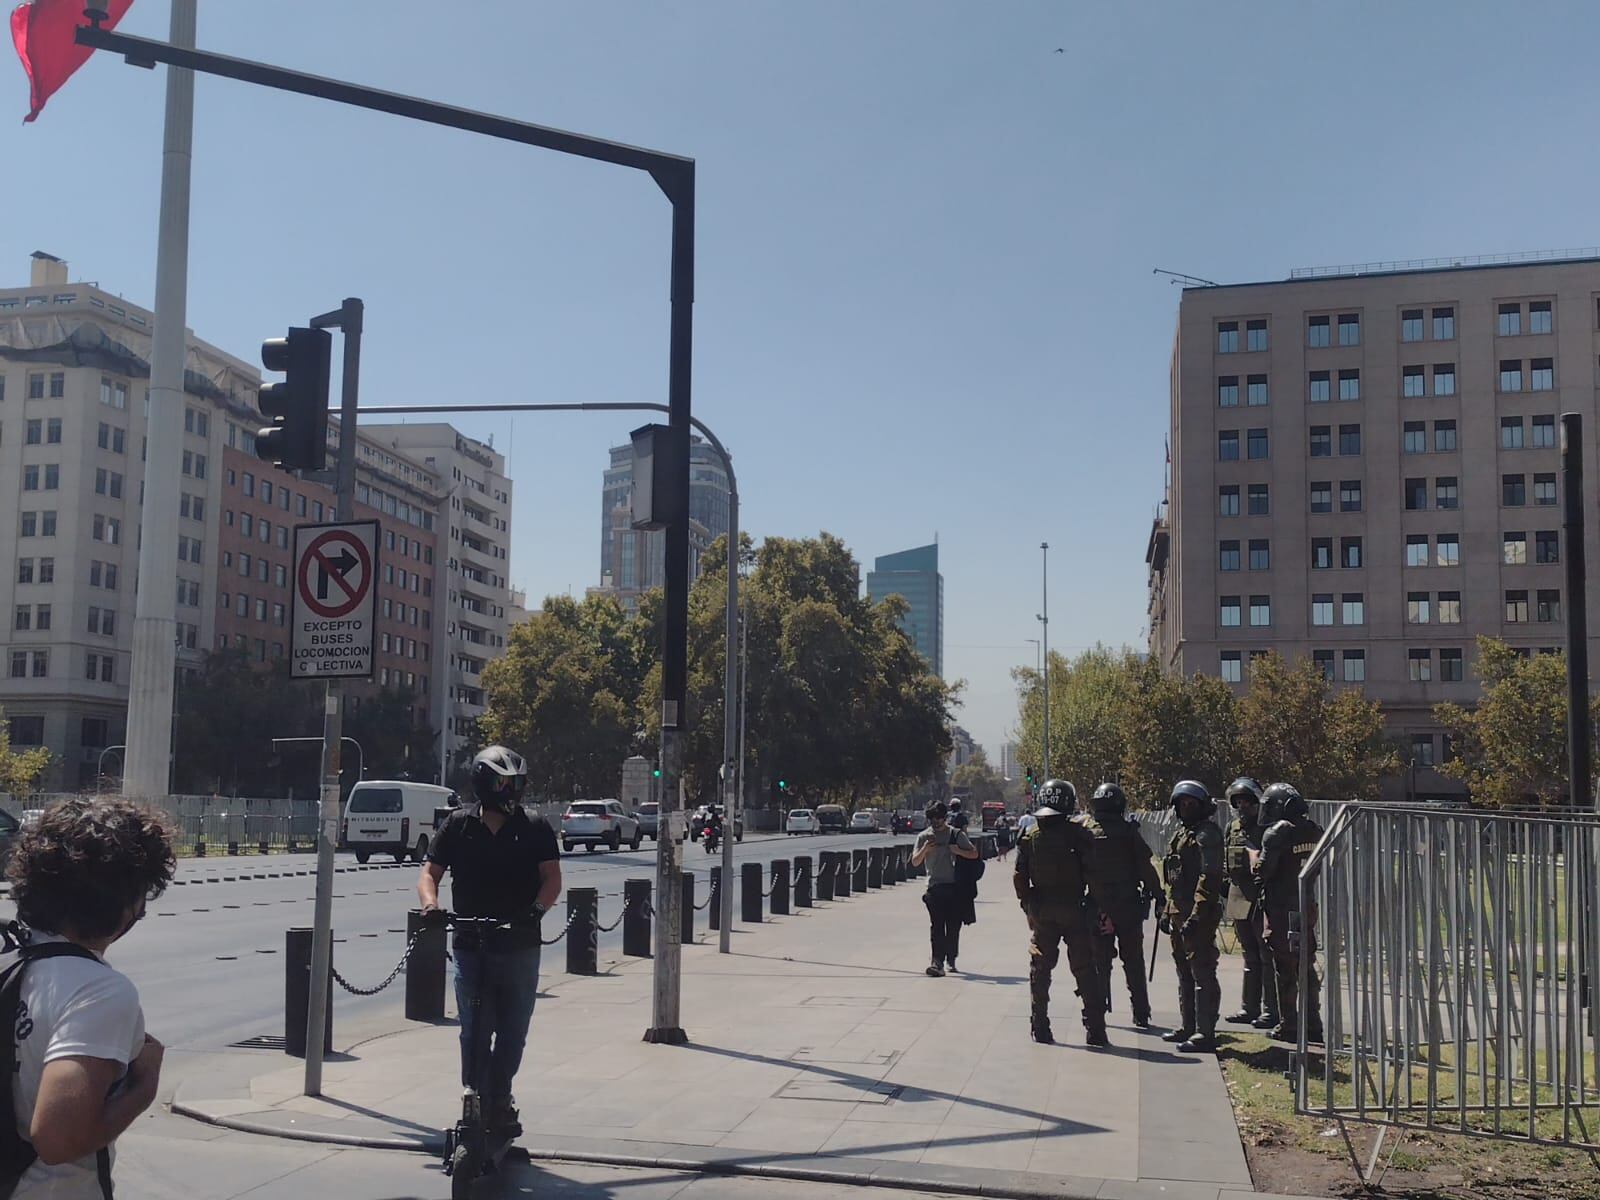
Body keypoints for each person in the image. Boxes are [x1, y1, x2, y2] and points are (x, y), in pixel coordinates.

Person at [2, 797, 175, 1199]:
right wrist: (143, 1088)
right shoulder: (97, 991)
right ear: (129, 902)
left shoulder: (9, 954)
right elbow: (58, 1140)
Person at [419, 746, 562, 1140]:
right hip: (470, 942)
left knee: (513, 1030)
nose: (511, 790)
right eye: (504, 782)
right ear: (484, 783)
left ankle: (499, 1097)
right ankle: (474, 1092)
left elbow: (552, 878)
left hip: (519, 944)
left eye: (516, 783)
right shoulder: (458, 825)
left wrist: (535, 910)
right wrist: (431, 906)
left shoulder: (534, 826)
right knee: (474, 1028)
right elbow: (429, 873)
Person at [1013, 780, 1107, 1047]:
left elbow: (1020, 877)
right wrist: (1095, 906)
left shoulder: (1030, 835)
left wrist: (1028, 906)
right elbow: (1094, 876)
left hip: (1043, 910)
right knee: (1086, 969)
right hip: (1075, 909)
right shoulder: (1080, 835)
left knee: (1040, 969)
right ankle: (1095, 1029)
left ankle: (1040, 1025)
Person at [1077, 782, 1162, 1029]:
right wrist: (1158, 895)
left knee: (1099, 963)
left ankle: (1097, 1011)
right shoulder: (1128, 833)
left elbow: (1079, 871)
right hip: (1127, 907)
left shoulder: (1086, 833)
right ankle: (1141, 1012)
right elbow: (1145, 868)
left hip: (1097, 907)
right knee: (1134, 961)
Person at [1254, 782, 1325, 1044]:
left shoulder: (1277, 833)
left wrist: (1254, 859)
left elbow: (1263, 872)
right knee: (1306, 965)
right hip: (1305, 905)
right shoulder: (1314, 830)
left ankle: (1290, 1026)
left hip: (1281, 908)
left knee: (1285, 968)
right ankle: (1313, 1024)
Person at [1160, 780, 1224, 1053]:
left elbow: (1208, 877)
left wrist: (1197, 914)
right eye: (1181, 804)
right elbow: (1174, 878)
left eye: (1191, 804)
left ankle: (1205, 1031)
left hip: (1199, 914)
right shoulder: (1182, 834)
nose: (1186, 808)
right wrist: (1166, 910)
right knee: (1183, 971)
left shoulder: (1207, 835)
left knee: (1202, 971)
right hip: (1178, 911)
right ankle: (1188, 1025)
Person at [1221, 777, 1278, 1030]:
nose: (1243, 807)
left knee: (1266, 956)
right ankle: (1249, 1007)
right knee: (1249, 956)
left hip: (1261, 898)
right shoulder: (1231, 828)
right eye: (1238, 802)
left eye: (1248, 802)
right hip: (1237, 896)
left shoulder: (1267, 827)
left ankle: (1271, 1010)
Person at [911, 801, 979, 977]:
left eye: (939, 819)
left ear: (945, 818)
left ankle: (951, 957)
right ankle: (937, 962)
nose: (935, 822)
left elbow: (974, 854)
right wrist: (925, 848)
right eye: (932, 819)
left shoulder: (956, 835)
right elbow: (915, 861)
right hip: (934, 888)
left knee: (953, 926)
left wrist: (957, 851)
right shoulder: (924, 837)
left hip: (955, 888)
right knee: (937, 926)